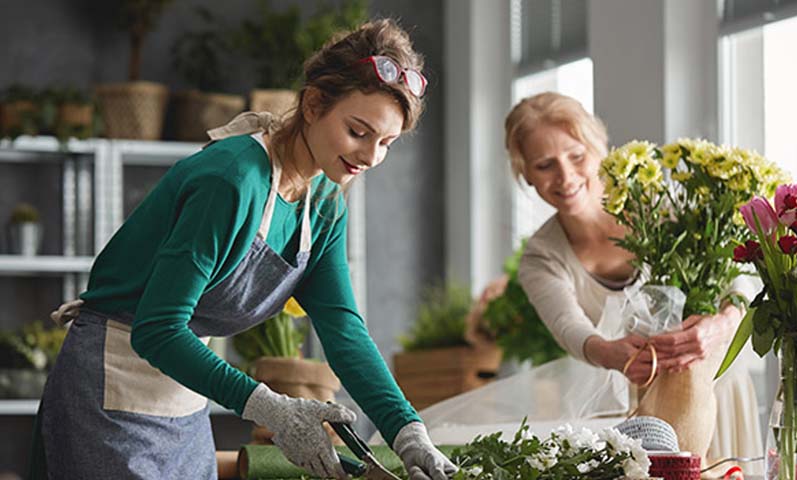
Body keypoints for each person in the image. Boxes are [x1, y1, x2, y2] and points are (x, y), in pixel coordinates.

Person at [30, 19, 456, 480]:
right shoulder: (232, 180)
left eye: (387, 143)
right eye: (358, 131)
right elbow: (156, 330)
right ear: (313, 105)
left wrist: (408, 431)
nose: (371, 157)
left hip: (182, 395)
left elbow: (343, 331)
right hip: (110, 382)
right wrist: (272, 408)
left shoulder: (325, 202)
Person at [502, 92, 760, 462]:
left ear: (600, 150)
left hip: (718, 386)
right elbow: (569, 326)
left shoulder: (661, 206)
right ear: (525, 172)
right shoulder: (541, 256)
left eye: (577, 157)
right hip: (640, 403)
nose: (565, 176)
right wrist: (608, 353)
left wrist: (723, 323)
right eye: (545, 165)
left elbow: (736, 272)